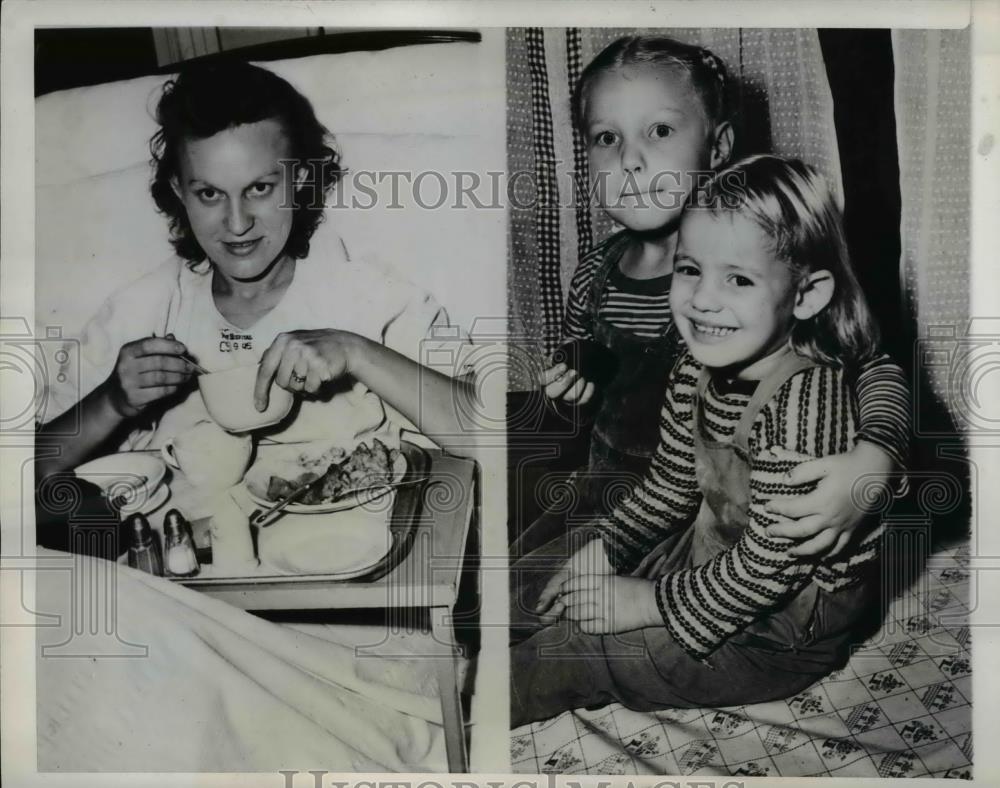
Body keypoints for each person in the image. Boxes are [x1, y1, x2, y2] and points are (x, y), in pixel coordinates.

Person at [511, 155, 903, 727]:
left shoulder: (805, 398)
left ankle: (461, 716)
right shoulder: (696, 368)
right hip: (708, 560)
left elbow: (772, 565)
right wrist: (609, 546)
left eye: (738, 280)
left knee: (581, 650)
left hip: (777, 626)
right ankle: (452, 642)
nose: (701, 300)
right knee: (550, 576)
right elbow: (671, 485)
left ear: (808, 295)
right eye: (690, 269)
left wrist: (646, 603)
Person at [514, 35, 909, 562]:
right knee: (504, 593)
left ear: (718, 148)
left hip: (708, 513)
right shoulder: (594, 272)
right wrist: (576, 365)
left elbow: (872, 368)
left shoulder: (757, 270)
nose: (630, 159)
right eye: (606, 137)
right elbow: (583, 348)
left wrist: (876, 457)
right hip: (604, 488)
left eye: (659, 131)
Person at [36, 59, 476, 483]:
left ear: (300, 178)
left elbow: (494, 435)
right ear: (179, 191)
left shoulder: (367, 296)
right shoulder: (143, 310)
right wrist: (112, 402)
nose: (237, 223)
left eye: (259, 189)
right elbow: (24, 474)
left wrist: (356, 352)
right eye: (209, 194)